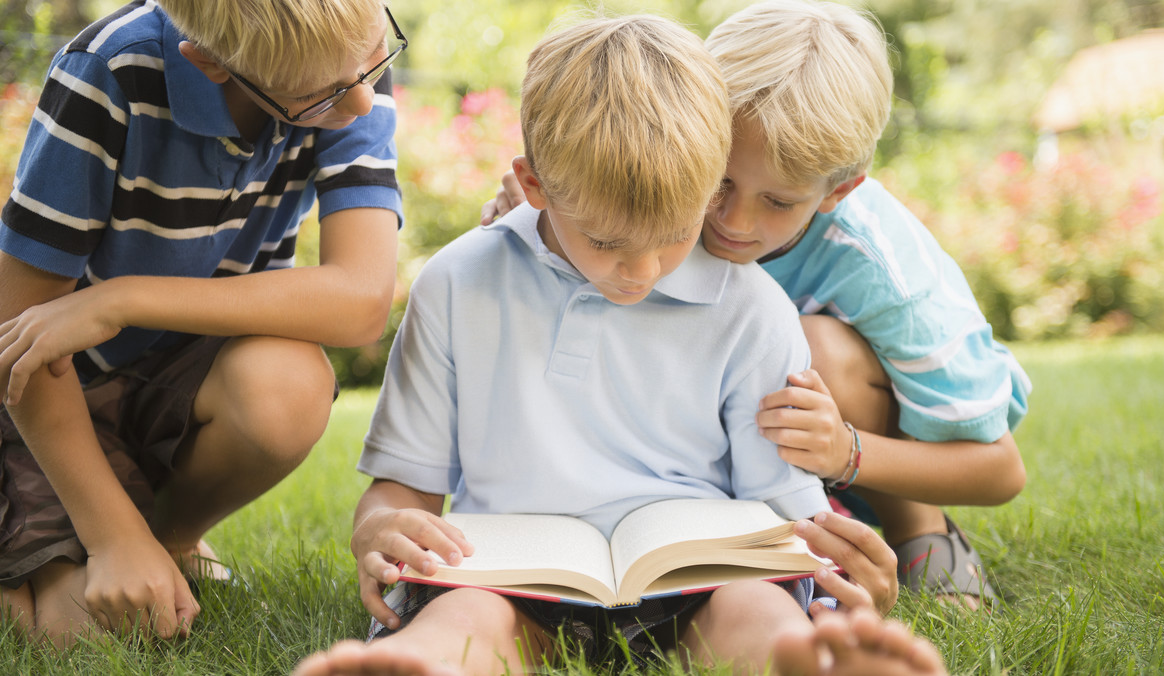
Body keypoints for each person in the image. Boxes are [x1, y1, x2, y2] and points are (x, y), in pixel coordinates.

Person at [294, 14, 946, 676]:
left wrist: (842, 568)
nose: (641, 270)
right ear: (538, 186)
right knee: (468, 622)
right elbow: (401, 490)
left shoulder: (753, 308)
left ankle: (810, 663)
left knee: (755, 611)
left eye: (674, 234)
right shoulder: (457, 284)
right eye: (607, 243)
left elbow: (785, 510)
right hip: (507, 580)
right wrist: (378, 528)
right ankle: (422, 665)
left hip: (700, 583)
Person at [482, 0, 1030, 609]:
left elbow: (1000, 469)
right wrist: (549, 214)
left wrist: (845, 451)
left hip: (846, 440)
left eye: (778, 202)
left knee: (812, 350)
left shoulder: (883, 272)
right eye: (719, 180)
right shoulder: (662, 199)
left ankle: (921, 531)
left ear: (838, 189)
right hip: (737, 453)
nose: (734, 223)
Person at [0, 0, 404, 647]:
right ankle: (100, 543)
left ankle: (168, 538)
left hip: (179, 382)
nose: (361, 105)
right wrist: (112, 539)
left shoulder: (346, 55)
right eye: (321, 96)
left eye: (373, 63)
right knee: (72, 634)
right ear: (211, 63)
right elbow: (20, 340)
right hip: (54, 395)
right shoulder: (107, 71)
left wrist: (122, 299)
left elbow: (361, 300)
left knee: (288, 384)